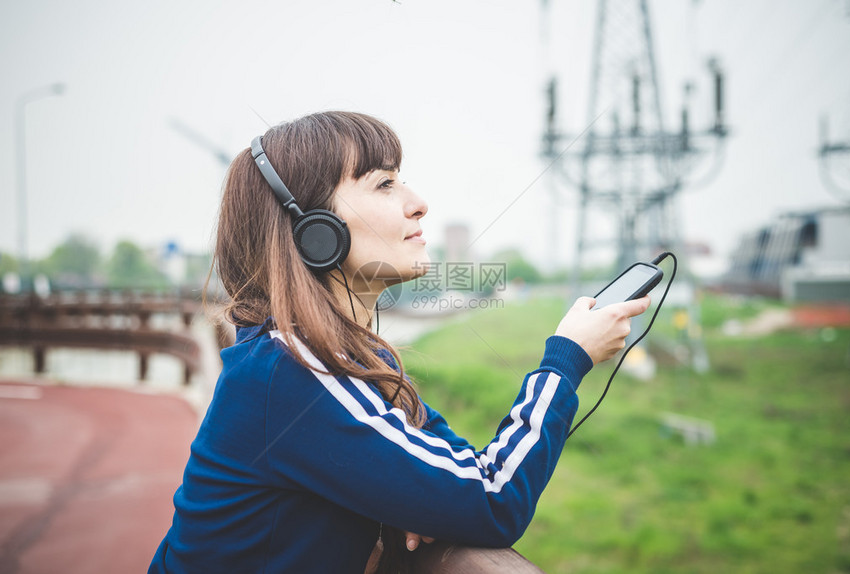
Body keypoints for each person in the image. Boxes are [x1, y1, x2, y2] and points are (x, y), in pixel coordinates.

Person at [148, 111, 650, 573]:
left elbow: (458, 470)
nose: (418, 203)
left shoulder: (345, 359)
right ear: (314, 232)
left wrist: (420, 495)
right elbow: (492, 497)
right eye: (385, 184)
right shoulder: (291, 370)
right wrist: (566, 359)